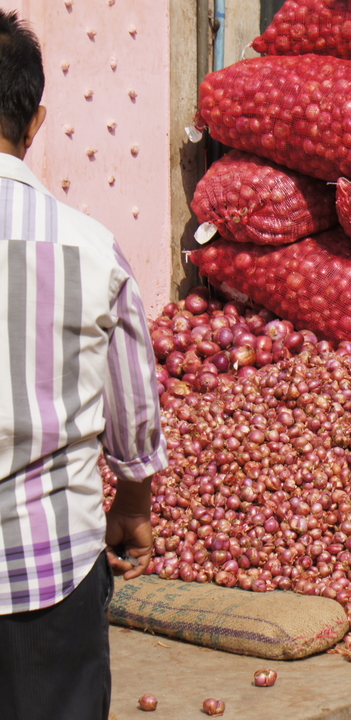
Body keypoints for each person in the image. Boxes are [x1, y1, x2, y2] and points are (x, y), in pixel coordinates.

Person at [0, 11, 167, 719]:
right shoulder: (89, 248)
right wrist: (132, 502)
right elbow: (133, 407)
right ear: (36, 124)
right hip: (47, 569)